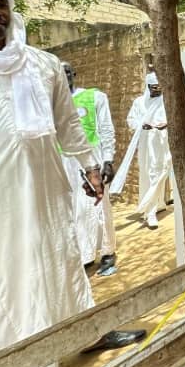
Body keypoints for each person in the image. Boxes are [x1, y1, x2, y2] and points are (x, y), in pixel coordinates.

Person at [0, 0, 143, 367]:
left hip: (46, 192)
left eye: (1, 2)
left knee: (62, 264)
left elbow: (68, 127)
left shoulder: (42, 65)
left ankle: (88, 335)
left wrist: (91, 168)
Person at [61, 62, 119, 275]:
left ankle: (107, 252)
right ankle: (84, 254)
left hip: (91, 160)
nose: (63, 76)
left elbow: (105, 129)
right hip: (64, 161)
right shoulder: (52, 103)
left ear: (73, 74)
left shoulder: (95, 97)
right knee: (74, 209)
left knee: (99, 207)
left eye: (67, 72)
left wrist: (108, 160)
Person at [114, 72, 172, 229]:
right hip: (147, 143)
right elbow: (131, 120)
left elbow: (172, 119)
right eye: (154, 88)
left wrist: (165, 125)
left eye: (159, 88)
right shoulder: (139, 103)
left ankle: (152, 208)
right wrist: (142, 125)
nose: (157, 91)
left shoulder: (165, 101)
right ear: (148, 87)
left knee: (161, 173)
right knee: (150, 174)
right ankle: (151, 210)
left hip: (162, 142)